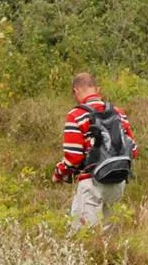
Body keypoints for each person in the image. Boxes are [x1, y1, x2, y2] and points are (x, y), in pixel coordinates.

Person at [56, 73, 137, 229]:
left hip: (91, 182)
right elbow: (133, 150)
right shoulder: (118, 113)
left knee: (83, 238)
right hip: (117, 182)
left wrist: (59, 174)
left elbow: (73, 158)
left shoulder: (76, 115)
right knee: (108, 243)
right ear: (97, 89)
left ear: (76, 90)